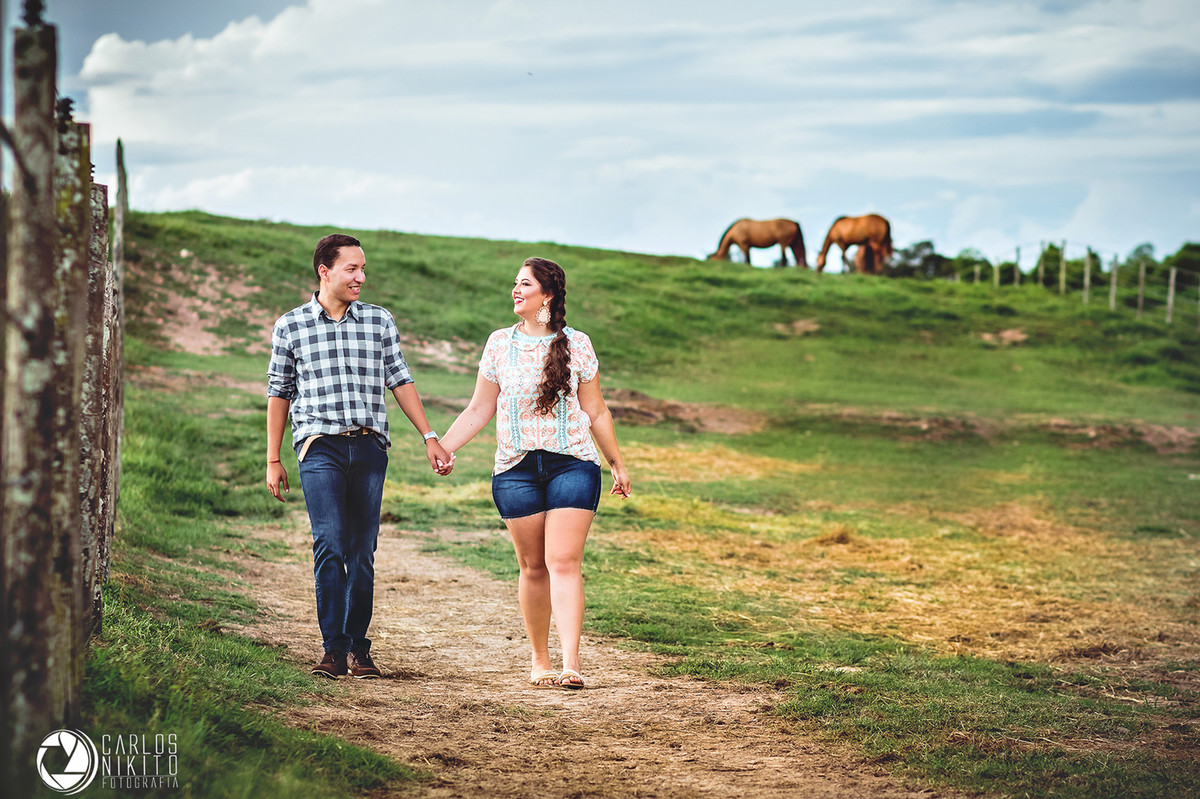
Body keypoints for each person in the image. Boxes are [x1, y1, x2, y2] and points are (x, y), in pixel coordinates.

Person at [437, 256, 631, 690]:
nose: (515, 290)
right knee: (532, 566)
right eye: (515, 283)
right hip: (515, 469)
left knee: (562, 560)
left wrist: (616, 461)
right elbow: (479, 408)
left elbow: (595, 409)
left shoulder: (577, 343)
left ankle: (571, 664)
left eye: (524, 284)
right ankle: (540, 661)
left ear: (547, 295)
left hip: (573, 464)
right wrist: (444, 446)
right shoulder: (497, 344)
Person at [266, 233, 452, 680]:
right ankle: (333, 649)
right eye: (352, 268)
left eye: (363, 268)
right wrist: (273, 459)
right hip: (319, 447)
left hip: (369, 446)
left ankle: (358, 649)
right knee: (329, 544)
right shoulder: (290, 326)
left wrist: (429, 435)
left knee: (362, 551)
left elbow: (401, 380)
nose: (361, 277)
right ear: (324, 271)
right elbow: (279, 392)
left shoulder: (378, 321)